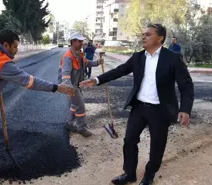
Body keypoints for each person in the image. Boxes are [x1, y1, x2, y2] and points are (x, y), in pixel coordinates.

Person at [0, 30, 75, 185]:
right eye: (15, 47)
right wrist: (56, 87)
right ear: (5, 44)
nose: (17, 50)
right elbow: (29, 82)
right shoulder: (2, 63)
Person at [80, 24, 194, 185]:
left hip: (160, 110)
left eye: (148, 34)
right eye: (143, 34)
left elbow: (186, 85)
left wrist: (185, 109)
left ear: (160, 38)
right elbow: (119, 70)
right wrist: (97, 80)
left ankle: (149, 176)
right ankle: (129, 173)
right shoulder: (138, 57)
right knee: (129, 140)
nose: (143, 37)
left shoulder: (172, 58)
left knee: (157, 146)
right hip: (139, 107)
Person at [58, 32, 104, 137]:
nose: (82, 43)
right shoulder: (68, 57)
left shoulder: (79, 54)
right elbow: (65, 76)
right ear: (73, 42)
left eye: (82, 41)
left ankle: (69, 123)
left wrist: (98, 62)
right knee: (81, 106)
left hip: (77, 84)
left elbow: (87, 63)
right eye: (79, 41)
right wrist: (69, 90)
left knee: (75, 105)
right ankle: (81, 127)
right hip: (71, 86)